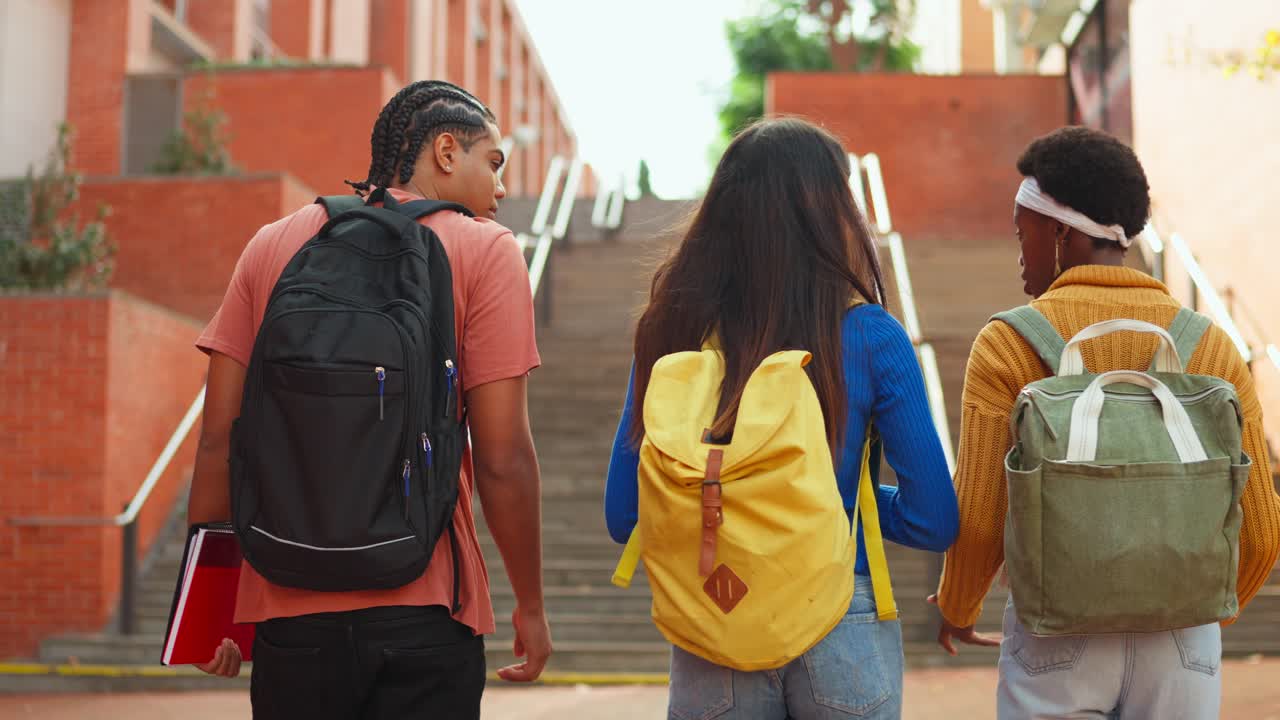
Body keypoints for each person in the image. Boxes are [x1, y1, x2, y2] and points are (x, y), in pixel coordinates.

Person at [186, 80, 551, 718]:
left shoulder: (274, 243)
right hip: (426, 607)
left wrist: (208, 609)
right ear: (444, 151)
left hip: (287, 607)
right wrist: (531, 603)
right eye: (492, 163)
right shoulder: (486, 251)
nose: (499, 188)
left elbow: (220, 437)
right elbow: (502, 456)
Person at [604, 117, 959, 720]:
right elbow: (934, 519)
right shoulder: (870, 336)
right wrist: (829, 500)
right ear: (832, 215)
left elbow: (624, 514)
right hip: (841, 615)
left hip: (713, 616)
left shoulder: (671, 333)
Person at [930, 126, 1280, 718]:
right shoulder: (1212, 346)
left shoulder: (1008, 344)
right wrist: (1200, 607)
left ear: (1061, 232)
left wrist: (958, 608)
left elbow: (983, 520)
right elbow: (1262, 533)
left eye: (1024, 234)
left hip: (1057, 630)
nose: (1020, 255)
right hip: (1183, 638)